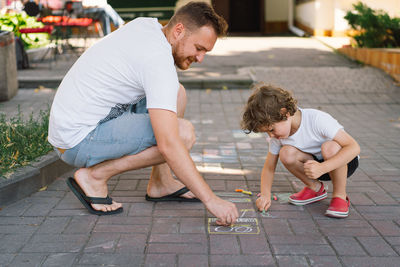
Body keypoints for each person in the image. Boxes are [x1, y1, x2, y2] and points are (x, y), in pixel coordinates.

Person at [48, 1, 238, 225]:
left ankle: (161, 183)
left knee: (177, 93)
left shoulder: (147, 27)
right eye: (199, 48)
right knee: (182, 134)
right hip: (77, 140)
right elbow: (169, 144)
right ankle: (94, 176)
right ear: (178, 30)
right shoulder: (157, 61)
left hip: (77, 124)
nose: (200, 58)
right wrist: (212, 200)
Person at [241, 84, 360, 218]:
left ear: (284, 113)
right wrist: (265, 195)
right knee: (286, 153)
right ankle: (315, 188)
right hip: (315, 169)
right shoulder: (278, 137)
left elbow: (354, 147)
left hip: (343, 163)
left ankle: (340, 196)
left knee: (329, 147)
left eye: (271, 129)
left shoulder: (316, 119)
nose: (271, 136)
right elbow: (269, 167)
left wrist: (323, 167)